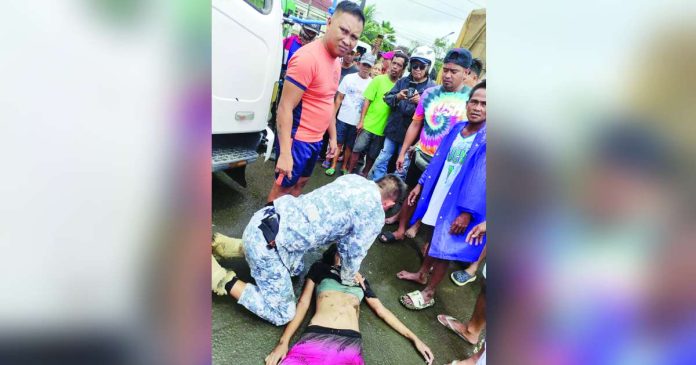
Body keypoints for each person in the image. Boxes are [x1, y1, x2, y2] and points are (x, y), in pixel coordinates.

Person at [212, 174, 407, 325]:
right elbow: (353, 252)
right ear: (388, 204)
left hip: (264, 218)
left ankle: (230, 246)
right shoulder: (374, 213)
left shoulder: (354, 179)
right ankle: (220, 277)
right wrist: (348, 279)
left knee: (296, 270)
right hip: (269, 246)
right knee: (283, 314)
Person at [396, 81, 486, 310]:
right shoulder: (458, 128)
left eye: (485, 104)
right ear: (467, 104)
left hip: (461, 203)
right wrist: (421, 184)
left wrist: (467, 213)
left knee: (446, 247)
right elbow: (438, 160)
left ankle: (429, 293)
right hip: (441, 192)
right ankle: (422, 274)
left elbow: (483, 180)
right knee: (434, 236)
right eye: (474, 102)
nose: (477, 107)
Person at [263, 244, 435, 365]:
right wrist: (283, 342)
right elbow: (303, 303)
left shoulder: (361, 281)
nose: (348, 257)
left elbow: (382, 310)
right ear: (335, 254)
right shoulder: (320, 268)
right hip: (316, 336)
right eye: (343, 252)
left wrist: (415, 339)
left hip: (349, 343)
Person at [269, 1, 365, 202]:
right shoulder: (307, 58)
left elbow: (328, 100)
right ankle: (262, 233)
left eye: (354, 37)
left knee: (300, 185)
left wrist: (332, 137)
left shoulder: (336, 61)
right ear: (329, 22)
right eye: (344, 30)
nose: (348, 41)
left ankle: (284, 229)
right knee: (282, 191)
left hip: (315, 140)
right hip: (298, 139)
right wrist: (285, 153)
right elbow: (285, 108)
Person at [379, 48, 474, 242]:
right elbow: (416, 123)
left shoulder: (471, 101)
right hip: (421, 156)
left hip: (448, 163)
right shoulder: (429, 93)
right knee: (411, 192)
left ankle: (419, 228)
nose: (447, 75)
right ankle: (401, 228)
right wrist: (403, 152)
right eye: (445, 70)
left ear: (466, 72)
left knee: (434, 199)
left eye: (454, 71)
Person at [371, 46, 437, 181]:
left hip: (410, 137)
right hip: (393, 130)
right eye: (414, 65)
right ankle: (376, 184)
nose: (417, 69)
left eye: (421, 66)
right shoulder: (403, 81)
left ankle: (393, 194)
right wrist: (398, 97)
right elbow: (387, 98)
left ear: (428, 68)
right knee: (382, 159)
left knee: (401, 167)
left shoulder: (432, 89)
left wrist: (421, 103)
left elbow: (433, 118)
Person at [344, 52, 407, 177]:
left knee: (373, 156)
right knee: (357, 150)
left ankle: (364, 174)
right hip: (368, 124)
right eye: (394, 63)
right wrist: (362, 120)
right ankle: (349, 173)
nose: (395, 67)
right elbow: (367, 100)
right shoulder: (379, 79)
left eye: (399, 65)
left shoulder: (401, 86)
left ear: (403, 69)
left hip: (383, 130)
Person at [324, 53, 375, 176]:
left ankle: (345, 167)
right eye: (364, 64)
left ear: (371, 68)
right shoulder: (349, 78)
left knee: (349, 147)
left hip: (357, 122)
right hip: (342, 117)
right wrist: (333, 117)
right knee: (339, 143)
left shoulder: (372, 83)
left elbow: (369, 105)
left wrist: (362, 121)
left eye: (368, 66)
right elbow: (339, 99)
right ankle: (333, 165)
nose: (365, 68)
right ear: (359, 64)